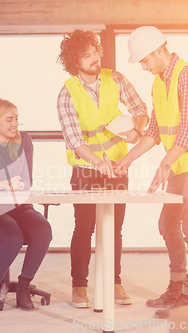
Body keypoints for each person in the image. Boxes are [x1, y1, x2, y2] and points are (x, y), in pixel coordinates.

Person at [116, 26, 188, 318]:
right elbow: (153, 131)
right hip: (180, 162)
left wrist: (164, 166)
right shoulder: (158, 82)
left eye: (144, 60)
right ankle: (177, 285)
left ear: (159, 50)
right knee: (167, 224)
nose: (143, 66)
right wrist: (127, 160)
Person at [57, 29, 148, 308]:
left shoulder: (116, 78)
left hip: (118, 166)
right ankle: (79, 287)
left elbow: (140, 107)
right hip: (86, 169)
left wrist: (137, 129)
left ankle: (114, 283)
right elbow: (74, 140)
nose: (95, 58)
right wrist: (98, 162)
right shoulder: (67, 93)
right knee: (84, 227)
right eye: (87, 55)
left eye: (95, 51)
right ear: (75, 62)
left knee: (114, 228)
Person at [0, 98, 52, 311]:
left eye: (16, 118)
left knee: (43, 230)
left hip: (19, 206)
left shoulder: (24, 140)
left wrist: (19, 185)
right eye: (9, 119)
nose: (15, 124)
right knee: (13, 235)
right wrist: (3, 185)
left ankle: (24, 287)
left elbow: (28, 180)